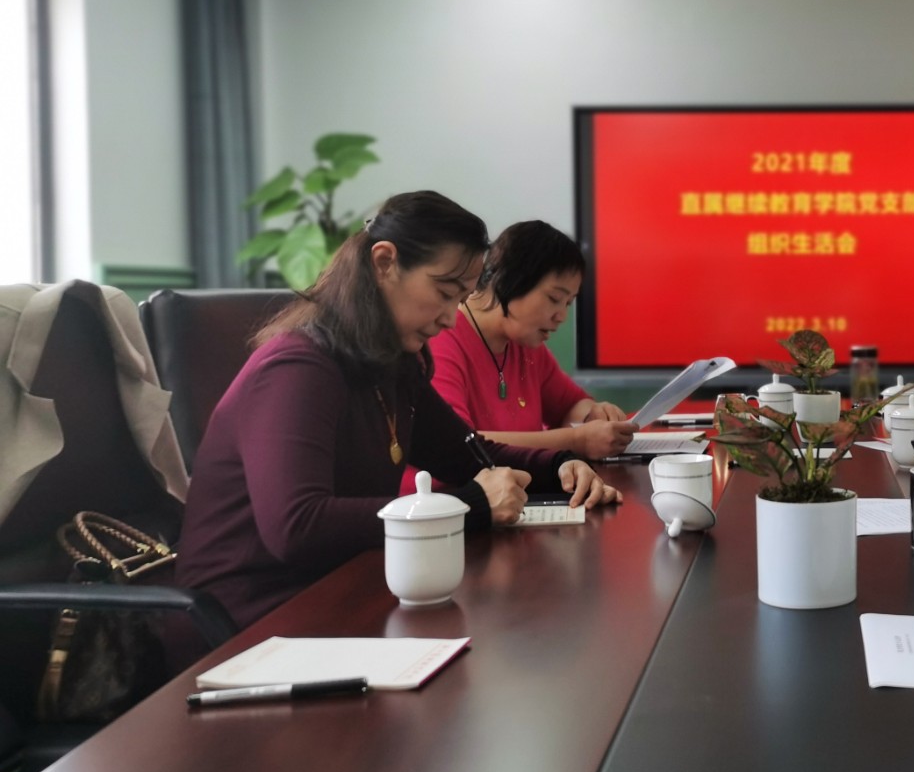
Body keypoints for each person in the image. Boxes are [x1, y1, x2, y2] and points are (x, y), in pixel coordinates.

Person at [178, 192, 620, 629]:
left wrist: (559, 466)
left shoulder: (390, 365)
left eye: (461, 298)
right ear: (384, 262)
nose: (451, 318)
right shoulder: (297, 368)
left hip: (345, 588)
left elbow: (467, 453)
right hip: (253, 620)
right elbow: (297, 526)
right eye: (444, 293)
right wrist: (470, 506)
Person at [430, 220, 636, 461]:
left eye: (568, 303)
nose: (561, 316)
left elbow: (571, 405)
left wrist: (594, 415)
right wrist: (576, 440)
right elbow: (458, 444)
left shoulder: (525, 343)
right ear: (509, 280)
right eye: (554, 298)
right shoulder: (442, 340)